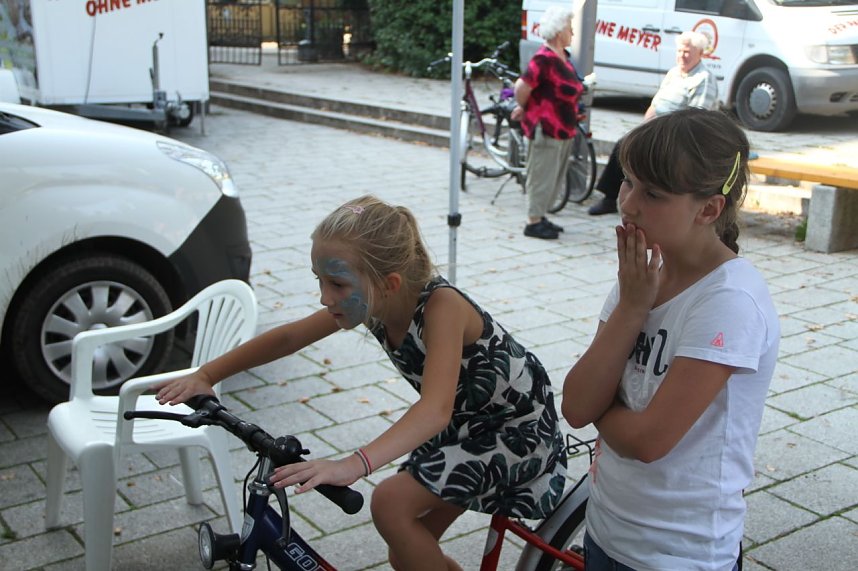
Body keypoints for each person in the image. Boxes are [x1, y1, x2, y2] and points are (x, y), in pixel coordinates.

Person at [154, 195, 567, 571]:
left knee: (391, 505)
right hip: (462, 425)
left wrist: (353, 464)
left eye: (336, 284)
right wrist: (207, 374)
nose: (324, 297)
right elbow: (288, 337)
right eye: (319, 281)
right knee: (408, 549)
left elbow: (434, 408)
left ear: (389, 283)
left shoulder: (443, 306)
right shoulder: (373, 302)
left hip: (514, 430)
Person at [563, 108, 779, 570]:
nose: (628, 204)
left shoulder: (729, 300)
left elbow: (647, 441)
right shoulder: (639, 278)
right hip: (605, 529)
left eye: (653, 193)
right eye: (628, 181)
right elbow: (577, 405)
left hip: (679, 553)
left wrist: (602, 408)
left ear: (708, 209)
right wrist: (632, 307)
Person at [588, 30, 719, 216]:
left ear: (700, 53)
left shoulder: (703, 79)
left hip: (677, 134)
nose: (682, 56)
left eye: (687, 52)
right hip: (656, 127)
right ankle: (610, 197)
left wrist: (658, 133)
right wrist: (643, 130)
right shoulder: (674, 73)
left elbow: (695, 118)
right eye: (680, 51)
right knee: (623, 145)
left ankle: (644, 202)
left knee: (644, 154)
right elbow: (656, 103)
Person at [512, 5, 584, 239]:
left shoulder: (563, 57)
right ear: (558, 30)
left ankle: (541, 216)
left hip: (564, 128)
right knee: (541, 175)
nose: (572, 32)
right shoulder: (544, 58)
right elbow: (522, 86)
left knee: (553, 176)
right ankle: (532, 222)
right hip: (547, 127)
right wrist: (523, 107)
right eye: (569, 28)